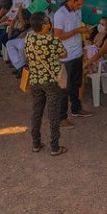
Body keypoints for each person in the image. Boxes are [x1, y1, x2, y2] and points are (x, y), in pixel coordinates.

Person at [25, 12, 68, 156]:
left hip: (35, 80)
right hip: (51, 81)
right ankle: (55, 147)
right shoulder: (51, 39)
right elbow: (64, 54)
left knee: (36, 111)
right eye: (48, 22)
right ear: (44, 25)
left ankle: (36, 143)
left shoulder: (29, 37)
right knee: (53, 113)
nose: (50, 24)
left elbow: (27, 54)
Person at [54, 0, 94, 127]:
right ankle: (62, 117)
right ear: (71, 0)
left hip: (77, 53)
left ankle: (76, 109)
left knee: (76, 84)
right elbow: (58, 35)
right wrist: (77, 30)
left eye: (82, 4)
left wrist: (84, 30)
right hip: (66, 57)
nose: (80, 7)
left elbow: (78, 28)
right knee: (64, 88)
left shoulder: (78, 11)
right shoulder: (60, 14)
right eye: (78, 4)